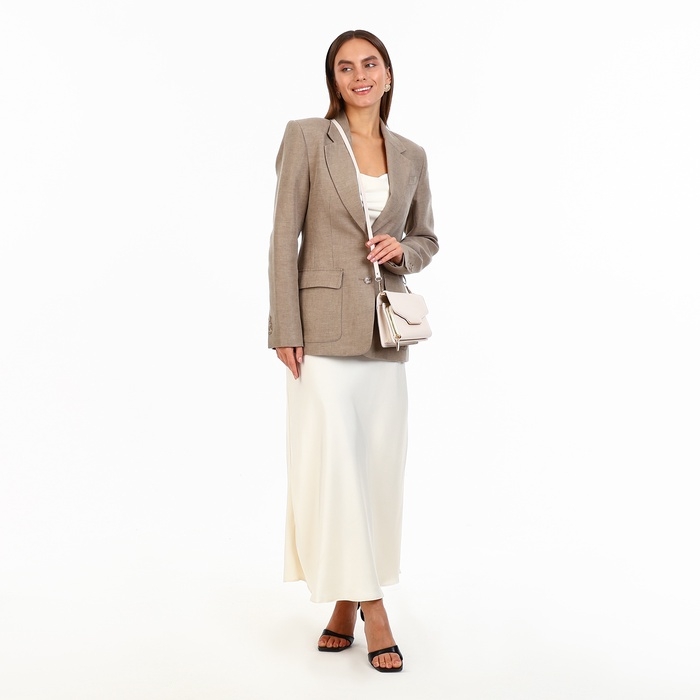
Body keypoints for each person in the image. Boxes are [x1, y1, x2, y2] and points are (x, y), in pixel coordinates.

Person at [267, 29, 439, 673]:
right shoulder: (307, 137)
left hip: (384, 335)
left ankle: (343, 606)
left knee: (373, 471)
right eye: (346, 67)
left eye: (370, 64)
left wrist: (403, 251)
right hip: (319, 333)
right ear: (333, 79)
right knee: (335, 468)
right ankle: (375, 610)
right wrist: (284, 326)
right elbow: (283, 236)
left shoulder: (412, 154)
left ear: (388, 75)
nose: (359, 75)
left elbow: (427, 238)